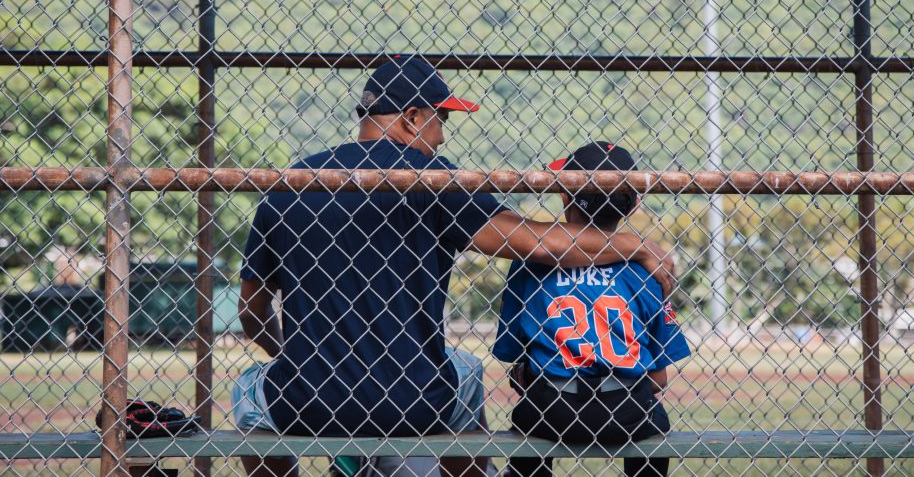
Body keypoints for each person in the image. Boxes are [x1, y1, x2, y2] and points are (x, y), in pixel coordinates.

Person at [234, 57, 676, 477]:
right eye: (440, 120)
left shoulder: (292, 183)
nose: (442, 137)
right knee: (465, 369)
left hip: (306, 399)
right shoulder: (432, 178)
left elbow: (251, 313)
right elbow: (541, 244)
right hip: (415, 399)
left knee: (248, 391)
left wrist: (301, 357)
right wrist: (636, 246)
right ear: (412, 117)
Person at [493, 142, 691, 477]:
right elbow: (658, 377)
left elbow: (512, 354)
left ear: (566, 196)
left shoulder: (530, 263)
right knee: (656, 420)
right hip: (628, 410)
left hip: (552, 409)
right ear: (633, 205)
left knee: (526, 412)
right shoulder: (647, 269)